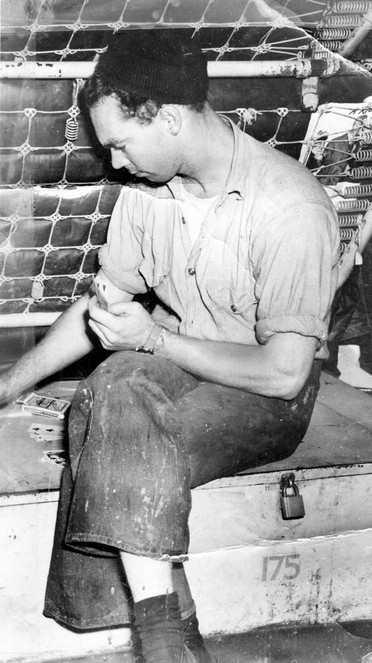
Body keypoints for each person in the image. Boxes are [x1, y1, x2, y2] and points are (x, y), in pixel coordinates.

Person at [0, 31, 340, 663]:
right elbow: (100, 309)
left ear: (170, 119)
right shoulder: (146, 192)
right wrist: (5, 387)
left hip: (265, 393)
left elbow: (284, 374)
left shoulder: (290, 205)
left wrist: (155, 337)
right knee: (116, 390)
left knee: (111, 418)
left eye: (121, 143)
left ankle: (166, 639)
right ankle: (170, 643)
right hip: (178, 369)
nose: (115, 162)